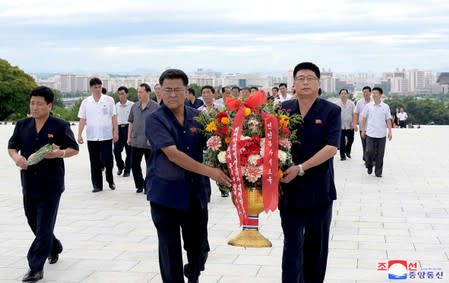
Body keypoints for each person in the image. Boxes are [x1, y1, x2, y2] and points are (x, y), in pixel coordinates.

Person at [145, 69, 231, 283]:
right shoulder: (155, 119)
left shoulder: (199, 117)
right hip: (165, 195)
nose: (172, 94)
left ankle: (193, 271)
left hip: (195, 194)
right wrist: (211, 172)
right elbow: (174, 155)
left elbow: (218, 143)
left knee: (199, 248)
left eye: (177, 90)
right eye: (167, 90)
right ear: (161, 91)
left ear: (186, 91)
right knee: (169, 249)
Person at [8, 86, 79, 282]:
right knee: (33, 222)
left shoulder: (60, 125)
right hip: (29, 182)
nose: (35, 107)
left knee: (44, 225)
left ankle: (35, 268)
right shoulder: (22, 125)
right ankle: (54, 246)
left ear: (49, 105)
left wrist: (59, 153)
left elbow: (74, 148)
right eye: (32, 103)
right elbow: (12, 147)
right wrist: (17, 158)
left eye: (39, 103)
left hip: (51, 184)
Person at [280, 62, 341, 283]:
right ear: (293, 83)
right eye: (301, 78)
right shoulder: (283, 109)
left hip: (319, 190)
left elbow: (331, 148)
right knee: (292, 245)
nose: (305, 82)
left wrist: (302, 168)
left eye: (310, 78)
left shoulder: (330, 110)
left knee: (316, 247)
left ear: (318, 83)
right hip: (289, 189)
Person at [78, 77, 118, 192]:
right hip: (92, 137)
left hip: (106, 136)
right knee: (94, 161)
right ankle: (97, 185)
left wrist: (116, 132)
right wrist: (79, 134)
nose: (98, 89)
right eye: (95, 87)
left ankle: (110, 180)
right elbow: (82, 119)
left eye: (100, 87)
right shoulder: (86, 102)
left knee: (108, 160)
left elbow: (114, 117)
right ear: (91, 88)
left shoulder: (109, 100)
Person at [127, 83, 159, 193]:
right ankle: (139, 185)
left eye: (141, 92)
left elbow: (158, 125)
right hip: (136, 141)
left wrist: (153, 138)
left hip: (149, 142)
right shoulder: (134, 106)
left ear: (148, 92)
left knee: (150, 166)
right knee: (134, 164)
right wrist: (129, 137)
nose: (139, 94)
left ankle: (148, 186)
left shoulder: (155, 107)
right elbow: (131, 122)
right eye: (138, 92)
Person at [361, 87, 393, 177]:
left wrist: (390, 131)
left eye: (376, 93)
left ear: (380, 95)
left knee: (380, 154)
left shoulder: (385, 107)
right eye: (373, 93)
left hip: (381, 134)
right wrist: (363, 130)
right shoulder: (368, 106)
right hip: (370, 133)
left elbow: (388, 119)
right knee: (368, 151)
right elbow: (364, 118)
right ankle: (369, 165)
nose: (374, 95)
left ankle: (378, 172)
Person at [114, 86, 133, 177]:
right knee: (116, 150)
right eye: (119, 94)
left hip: (128, 128)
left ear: (127, 94)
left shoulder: (132, 105)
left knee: (129, 151)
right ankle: (120, 166)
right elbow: (113, 119)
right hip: (118, 129)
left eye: (123, 94)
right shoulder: (116, 105)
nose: (121, 96)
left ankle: (127, 170)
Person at [352, 86, 372, 162]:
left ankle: (369, 158)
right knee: (364, 144)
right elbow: (356, 113)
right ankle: (366, 158)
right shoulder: (360, 102)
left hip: (372, 128)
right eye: (364, 92)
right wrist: (354, 124)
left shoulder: (374, 101)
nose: (365, 93)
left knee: (371, 145)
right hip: (362, 128)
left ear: (370, 92)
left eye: (367, 92)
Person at [336, 88, 355, 160]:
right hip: (340, 126)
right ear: (339, 95)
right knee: (341, 141)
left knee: (351, 140)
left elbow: (354, 114)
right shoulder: (336, 104)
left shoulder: (351, 103)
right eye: (342, 94)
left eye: (345, 93)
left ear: (347, 95)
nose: (343, 95)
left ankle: (347, 151)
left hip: (349, 125)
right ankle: (342, 156)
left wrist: (353, 123)